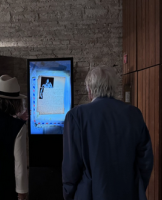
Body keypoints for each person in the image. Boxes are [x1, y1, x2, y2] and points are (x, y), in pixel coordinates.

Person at [62, 65, 153, 200]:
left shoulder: (76, 116)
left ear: (89, 90)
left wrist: (69, 195)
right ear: (113, 88)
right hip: (128, 193)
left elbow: (71, 167)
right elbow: (145, 161)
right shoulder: (134, 114)